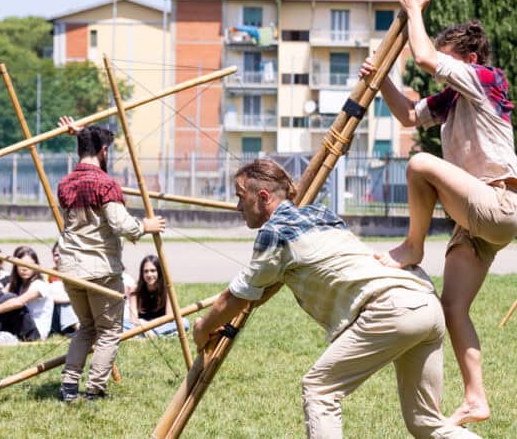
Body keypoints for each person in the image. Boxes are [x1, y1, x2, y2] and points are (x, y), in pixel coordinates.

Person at [193, 159, 476, 438]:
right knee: (425, 422)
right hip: (424, 302)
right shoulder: (320, 213)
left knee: (320, 390)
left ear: (263, 197)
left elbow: (235, 297)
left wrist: (203, 328)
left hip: (389, 308)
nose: (237, 207)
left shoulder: (274, 233)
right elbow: (265, 287)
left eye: (240, 197)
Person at [361, 0, 517, 426]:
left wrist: (414, 9)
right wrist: (382, 79)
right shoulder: (454, 99)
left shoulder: (486, 78)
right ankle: (475, 398)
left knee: (419, 164)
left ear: (468, 59)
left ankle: (413, 246)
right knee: (453, 308)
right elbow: (409, 115)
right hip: (476, 223)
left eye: (449, 60)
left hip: (499, 200)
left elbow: (425, 58)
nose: (441, 72)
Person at [55, 117, 165, 402]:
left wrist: (80, 133)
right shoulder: (105, 184)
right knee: (108, 331)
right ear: (104, 151)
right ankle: (94, 389)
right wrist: (145, 226)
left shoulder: (65, 184)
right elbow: (121, 224)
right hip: (100, 268)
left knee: (86, 328)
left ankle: (69, 386)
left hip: (70, 268)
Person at [0, 245, 51, 342]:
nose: (24, 268)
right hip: (18, 327)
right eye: (20, 265)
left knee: (10, 298)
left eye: (29, 265)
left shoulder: (40, 284)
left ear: (36, 265)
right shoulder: (17, 283)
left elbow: (18, 302)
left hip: (35, 333)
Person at [126, 255, 178, 337]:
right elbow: (133, 318)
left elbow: (169, 318)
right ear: (142, 273)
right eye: (146, 271)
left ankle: (146, 334)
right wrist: (143, 324)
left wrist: (149, 326)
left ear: (159, 272)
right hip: (140, 324)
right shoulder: (135, 290)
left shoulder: (168, 289)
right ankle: (160, 334)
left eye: (153, 271)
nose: (149, 274)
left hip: (161, 324)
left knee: (184, 322)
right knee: (123, 323)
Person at [49, 244, 78, 336]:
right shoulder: (48, 274)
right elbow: (47, 298)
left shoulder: (77, 274)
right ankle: (78, 328)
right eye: (56, 255)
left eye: (63, 255)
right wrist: (68, 299)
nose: (60, 258)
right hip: (56, 315)